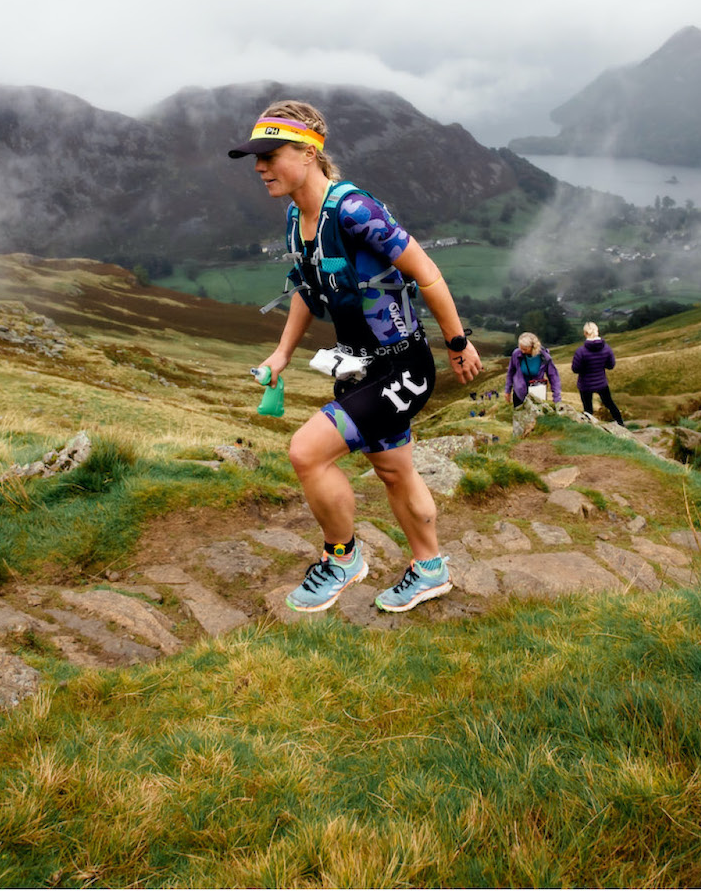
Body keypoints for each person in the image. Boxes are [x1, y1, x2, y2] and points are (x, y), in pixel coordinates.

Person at [234, 99, 483, 613]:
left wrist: (457, 344)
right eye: (254, 157)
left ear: (308, 152)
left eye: (270, 154)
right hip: (358, 365)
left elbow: (427, 272)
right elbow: (307, 288)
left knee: (306, 452)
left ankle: (343, 558)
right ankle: (431, 569)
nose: (259, 166)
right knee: (394, 471)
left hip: (401, 366)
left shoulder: (353, 210)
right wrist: (282, 353)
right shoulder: (296, 218)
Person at [571, 322, 624, 423]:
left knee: (588, 409)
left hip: (585, 384)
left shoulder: (581, 351)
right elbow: (611, 365)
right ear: (597, 331)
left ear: (585, 333)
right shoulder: (606, 348)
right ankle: (621, 423)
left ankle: (590, 428)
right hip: (601, 382)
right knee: (609, 403)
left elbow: (575, 369)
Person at [506, 332, 561, 408]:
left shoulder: (544, 357)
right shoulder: (516, 354)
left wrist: (556, 397)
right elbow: (510, 372)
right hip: (519, 394)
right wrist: (507, 390)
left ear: (533, 347)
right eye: (520, 348)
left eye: (525, 349)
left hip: (538, 394)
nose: (522, 351)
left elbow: (554, 377)